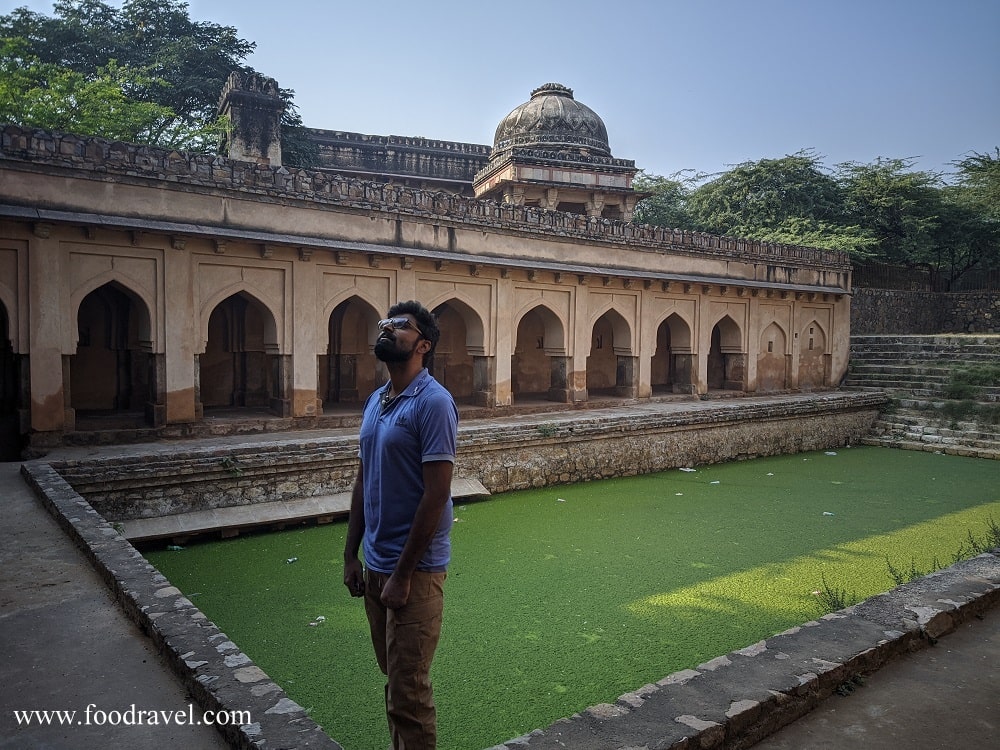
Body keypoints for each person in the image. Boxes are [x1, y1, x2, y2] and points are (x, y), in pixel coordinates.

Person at [343, 300, 459, 750]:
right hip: (376, 565)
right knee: (394, 681)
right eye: (385, 324)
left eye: (400, 326)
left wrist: (403, 575)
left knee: (408, 694)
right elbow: (363, 479)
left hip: (415, 572)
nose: (388, 330)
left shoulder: (433, 403)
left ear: (423, 345)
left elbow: (436, 496)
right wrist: (351, 554)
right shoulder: (377, 400)